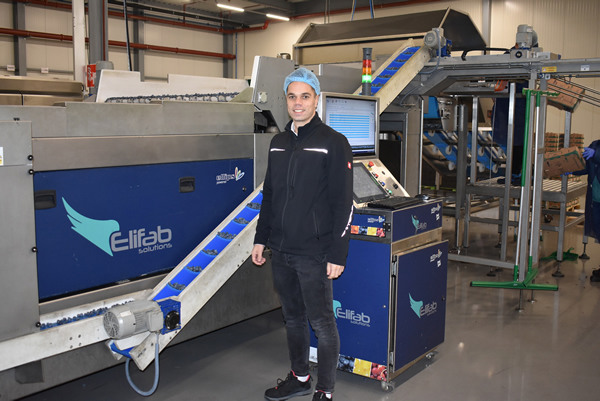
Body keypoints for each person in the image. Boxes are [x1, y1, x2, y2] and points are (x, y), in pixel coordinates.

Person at [251, 67, 354, 401]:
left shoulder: (333, 143)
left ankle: (325, 390)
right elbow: (270, 195)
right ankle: (299, 377)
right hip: (281, 250)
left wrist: (337, 253)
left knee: (322, 323)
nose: (298, 103)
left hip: (314, 253)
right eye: (292, 96)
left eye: (305, 96)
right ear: (286, 100)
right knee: (292, 318)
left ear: (316, 100)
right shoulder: (278, 143)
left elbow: (344, 203)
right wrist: (261, 238)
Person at [574, 141, 600, 281]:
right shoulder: (595, 145)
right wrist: (571, 169)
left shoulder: (596, 150)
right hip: (595, 199)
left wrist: (596, 155)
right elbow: (586, 167)